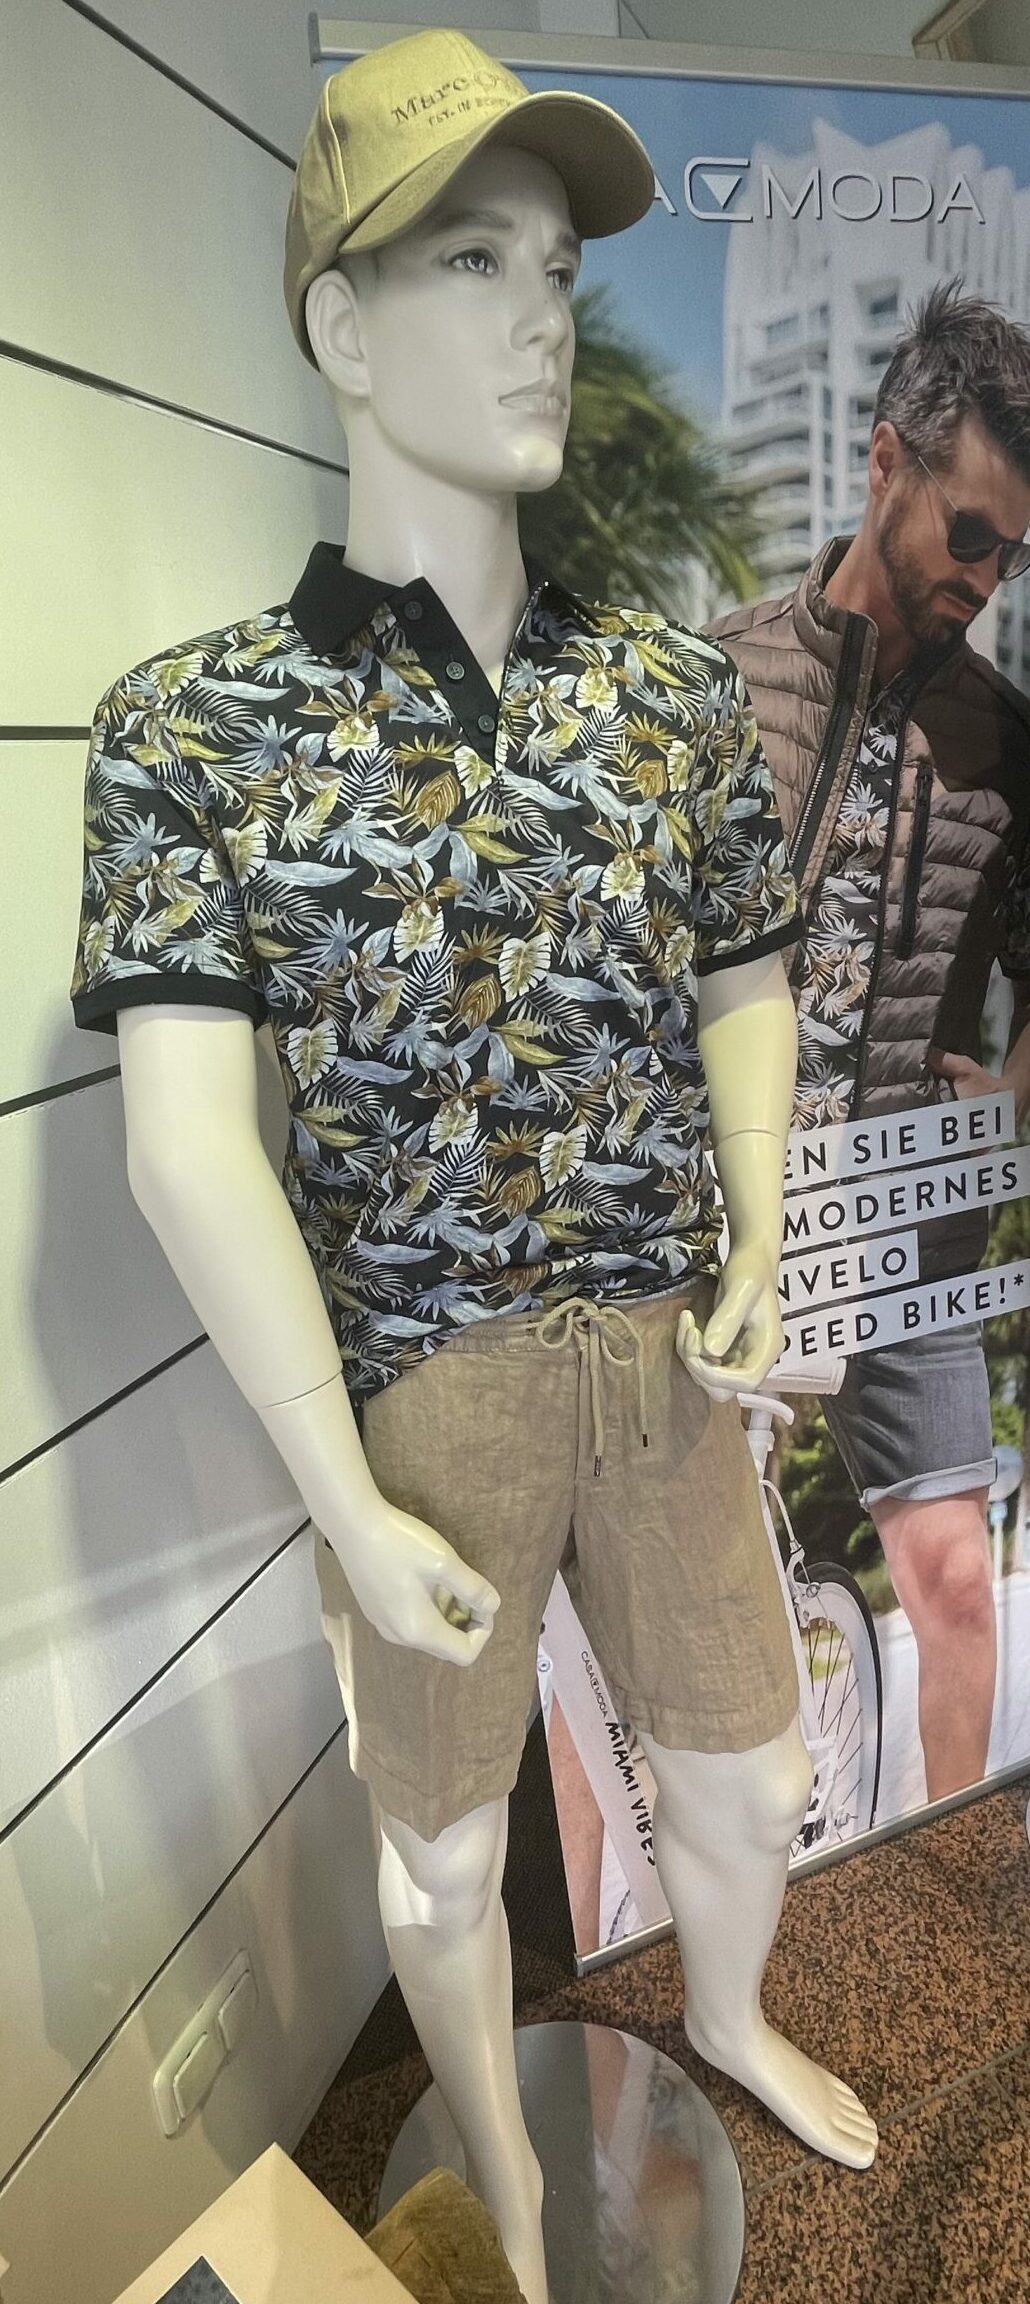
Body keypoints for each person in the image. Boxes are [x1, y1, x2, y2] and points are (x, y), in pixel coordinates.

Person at [71, 34, 877, 2297]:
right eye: (467, 263)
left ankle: (725, 2014)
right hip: (419, 1392)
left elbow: (742, 977)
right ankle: (509, 2203)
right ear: (339, 323)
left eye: (555, 270)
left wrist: (754, 1223)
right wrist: (341, 1499)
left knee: (748, 1780)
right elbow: (186, 1149)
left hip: (661, 1354)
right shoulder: (192, 728)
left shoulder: (669, 695)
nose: (540, 319)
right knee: (437, 1856)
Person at [711, 282, 1030, 1806]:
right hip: (719, 1213)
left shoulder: (1002, 738)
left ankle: (944, 1887)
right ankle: (675, 1916)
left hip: (905, 1210)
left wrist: (1013, 1093)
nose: (985, 576)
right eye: (968, 533)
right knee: (687, 1603)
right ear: (884, 463)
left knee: (954, 1579)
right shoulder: (713, 679)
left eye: (1012, 552)